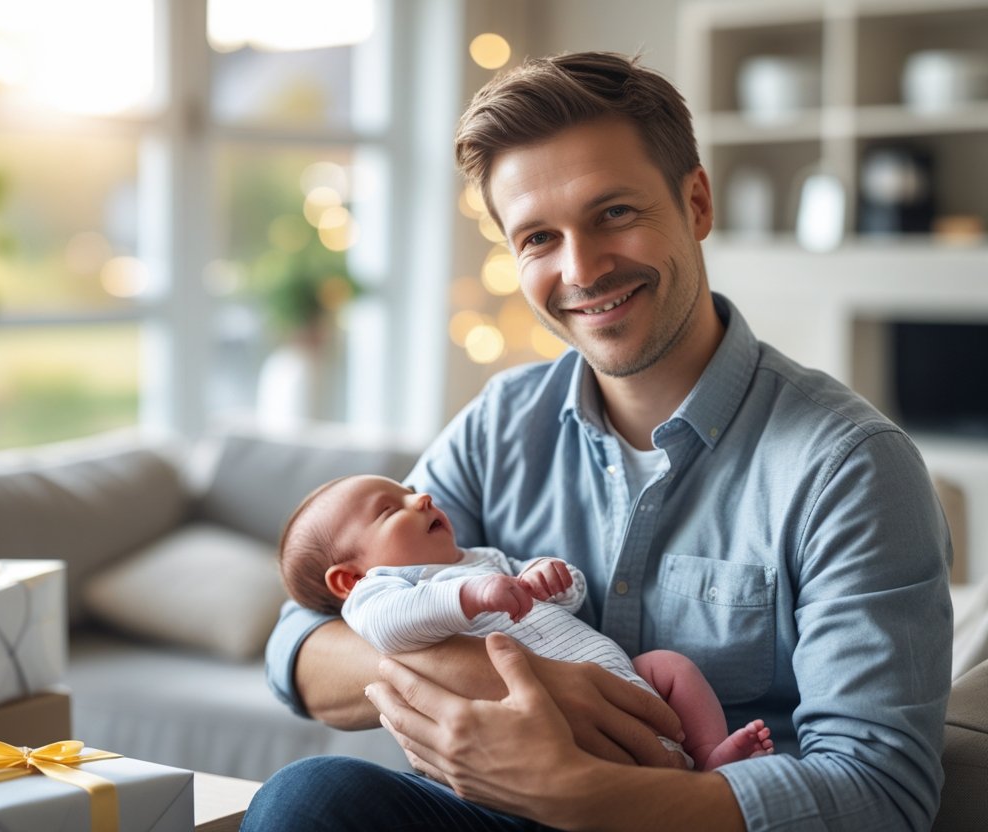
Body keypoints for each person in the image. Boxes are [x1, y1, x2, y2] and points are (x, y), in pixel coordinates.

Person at [244, 51, 953, 832]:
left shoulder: (849, 467)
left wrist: (580, 796)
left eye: (614, 213)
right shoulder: (501, 422)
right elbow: (304, 639)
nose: (581, 269)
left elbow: (883, 795)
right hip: (501, 816)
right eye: (539, 238)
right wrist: (512, 678)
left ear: (697, 203)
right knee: (307, 800)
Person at [278, 471, 775, 772]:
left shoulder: (479, 557)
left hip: (623, 679)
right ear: (348, 580)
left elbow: (561, 602)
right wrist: (467, 596)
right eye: (390, 510)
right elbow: (390, 629)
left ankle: (709, 756)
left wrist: (551, 578)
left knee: (670, 666)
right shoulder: (378, 593)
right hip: (541, 728)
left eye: (409, 490)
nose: (421, 498)